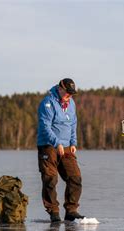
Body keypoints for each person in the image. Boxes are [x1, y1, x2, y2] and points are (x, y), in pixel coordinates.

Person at [37, 78, 85, 222]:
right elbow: (45, 126)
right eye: (67, 93)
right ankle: (54, 212)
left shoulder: (71, 103)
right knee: (50, 179)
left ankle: (71, 210)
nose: (69, 96)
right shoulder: (48, 103)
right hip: (48, 146)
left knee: (75, 177)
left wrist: (73, 142)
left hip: (66, 147)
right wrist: (56, 143)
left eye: (71, 94)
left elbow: (73, 123)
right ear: (60, 88)